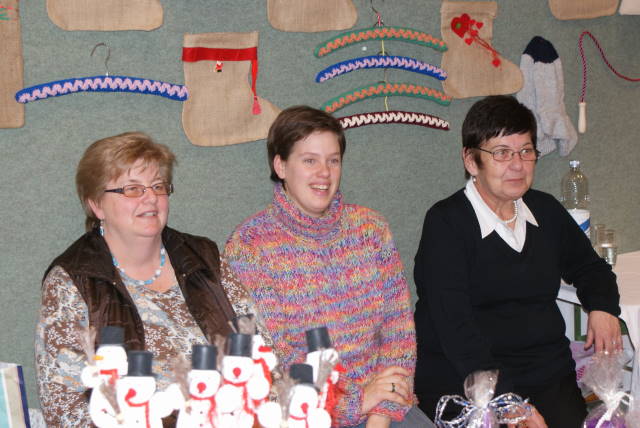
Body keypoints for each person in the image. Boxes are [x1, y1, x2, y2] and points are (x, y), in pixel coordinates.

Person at [413, 96, 621, 428]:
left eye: (526, 151)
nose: (518, 165)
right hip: (467, 379)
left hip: (544, 373)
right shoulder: (446, 223)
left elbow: (590, 267)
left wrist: (603, 307)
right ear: (471, 160)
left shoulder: (545, 210)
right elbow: (456, 329)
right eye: (501, 153)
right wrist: (507, 401)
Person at [223, 106, 431, 428]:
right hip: (306, 414)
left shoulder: (371, 230)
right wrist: (355, 402)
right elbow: (276, 362)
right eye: (310, 161)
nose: (324, 173)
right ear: (281, 165)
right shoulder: (249, 247)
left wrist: (380, 413)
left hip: (387, 407)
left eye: (333, 160)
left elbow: (398, 333)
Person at [35, 132, 237, 427]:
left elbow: (260, 354)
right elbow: (64, 409)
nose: (151, 197)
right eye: (132, 189)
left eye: (158, 186)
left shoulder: (206, 258)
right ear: (97, 205)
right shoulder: (72, 280)